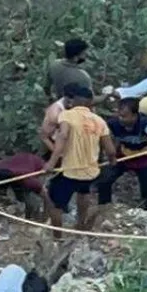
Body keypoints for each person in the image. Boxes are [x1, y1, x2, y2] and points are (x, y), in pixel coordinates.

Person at [44, 83, 115, 237]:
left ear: (75, 101)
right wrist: (112, 160)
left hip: (70, 171)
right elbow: (110, 149)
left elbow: (62, 137)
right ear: (90, 103)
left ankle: (58, 237)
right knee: (83, 193)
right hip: (90, 172)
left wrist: (51, 162)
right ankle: (80, 228)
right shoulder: (99, 121)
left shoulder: (67, 115)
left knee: (55, 205)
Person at [96, 98, 147, 213]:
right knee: (104, 180)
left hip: (144, 159)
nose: (121, 119)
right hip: (123, 156)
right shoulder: (113, 123)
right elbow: (104, 138)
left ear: (135, 114)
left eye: (124, 116)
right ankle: (104, 207)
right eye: (119, 115)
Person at [0, 153, 49, 219]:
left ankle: (31, 216)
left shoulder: (28, 180)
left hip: (37, 167)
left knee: (30, 199)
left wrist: (45, 216)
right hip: (19, 161)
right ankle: (28, 214)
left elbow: (47, 197)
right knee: (20, 197)